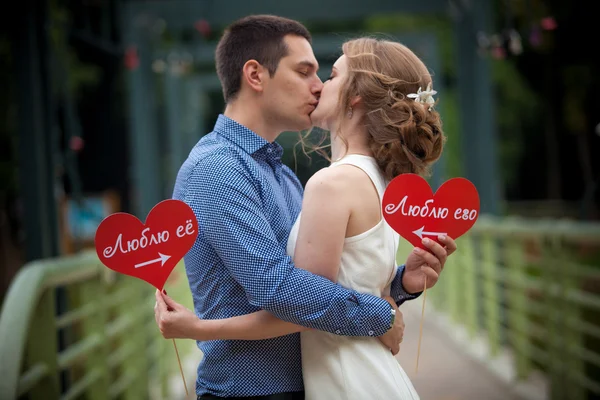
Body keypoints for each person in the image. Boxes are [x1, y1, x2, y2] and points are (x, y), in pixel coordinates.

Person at [158, 14, 455, 400]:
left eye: (325, 75)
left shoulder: (281, 175)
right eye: (304, 72)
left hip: (311, 383)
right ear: (255, 75)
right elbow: (276, 286)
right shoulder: (216, 170)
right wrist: (380, 316)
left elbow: (325, 286)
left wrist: (399, 285)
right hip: (251, 391)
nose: (317, 87)